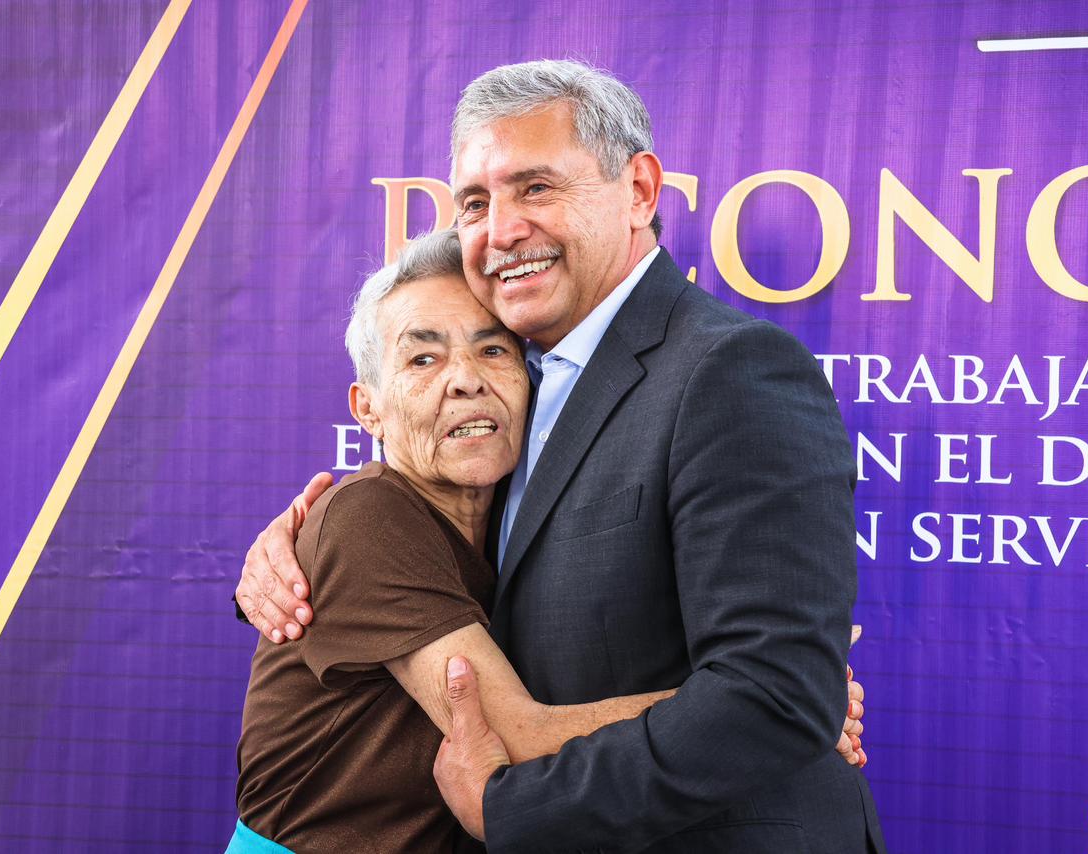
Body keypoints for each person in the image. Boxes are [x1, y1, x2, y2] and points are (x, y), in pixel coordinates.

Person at [240, 60, 884, 852]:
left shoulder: (729, 369)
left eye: (536, 187)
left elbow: (774, 691)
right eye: (475, 203)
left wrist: (788, 697)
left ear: (639, 190)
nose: (502, 229)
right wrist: (296, 546)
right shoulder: (515, 398)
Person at [233, 230, 677, 853]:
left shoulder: (518, 519)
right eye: (423, 359)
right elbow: (516, 738)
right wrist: (756, 704)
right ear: (369, 409)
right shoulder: (368, 516)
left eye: (493, 350)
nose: (467, 380)